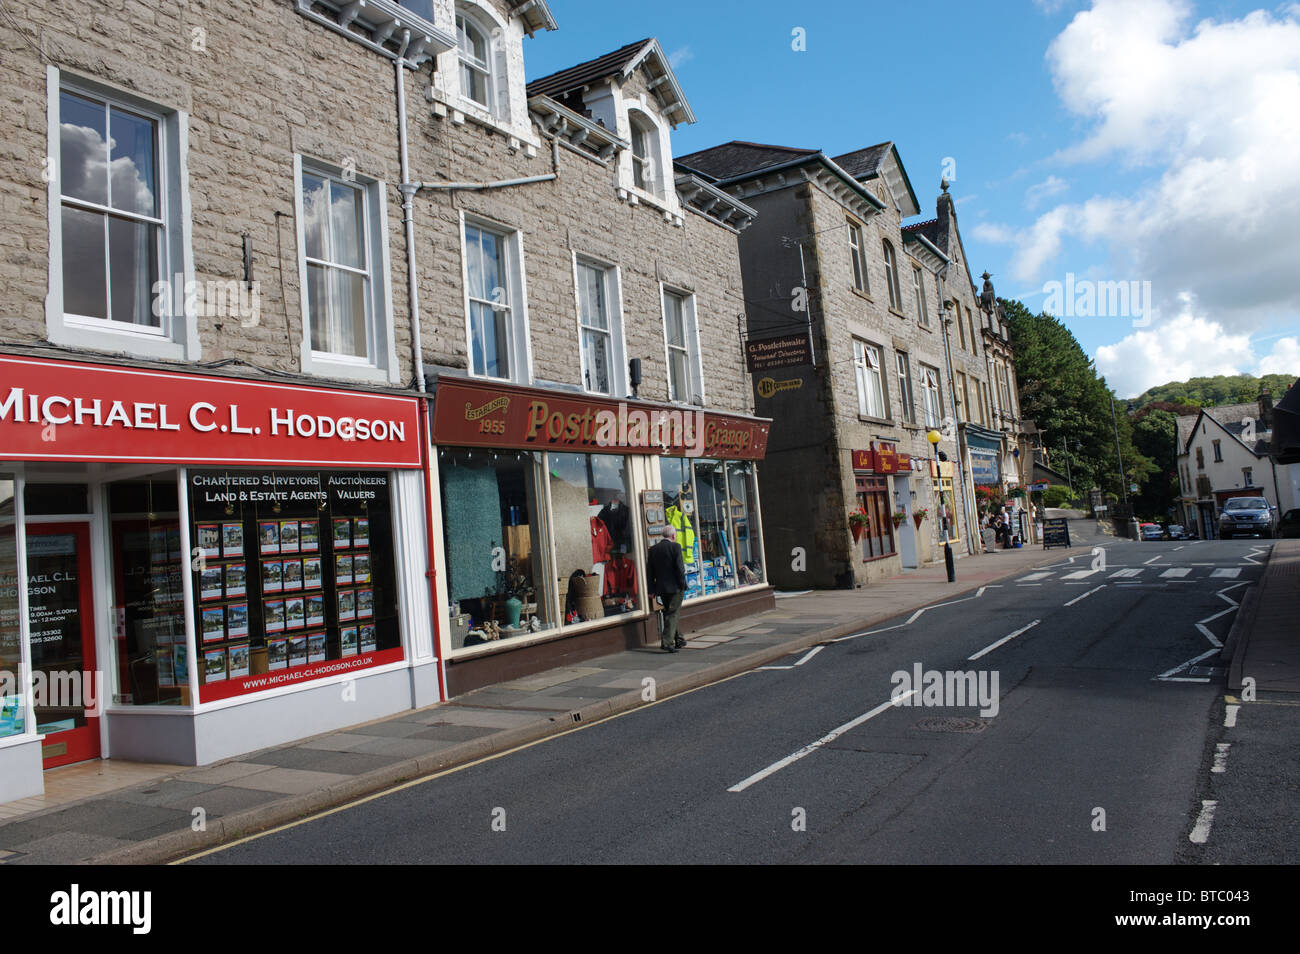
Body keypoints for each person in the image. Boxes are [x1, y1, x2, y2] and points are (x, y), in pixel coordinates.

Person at [647, 524, 688, 652]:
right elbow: (680, 569)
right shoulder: (676, 547)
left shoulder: (653, 549)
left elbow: (650, 572)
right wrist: (683, 584)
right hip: (675, 587)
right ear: (673, 535)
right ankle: (667, 643)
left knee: (670, 613)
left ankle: (679, 639)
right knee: (672, 613)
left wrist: (651, 590)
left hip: (661, 588)